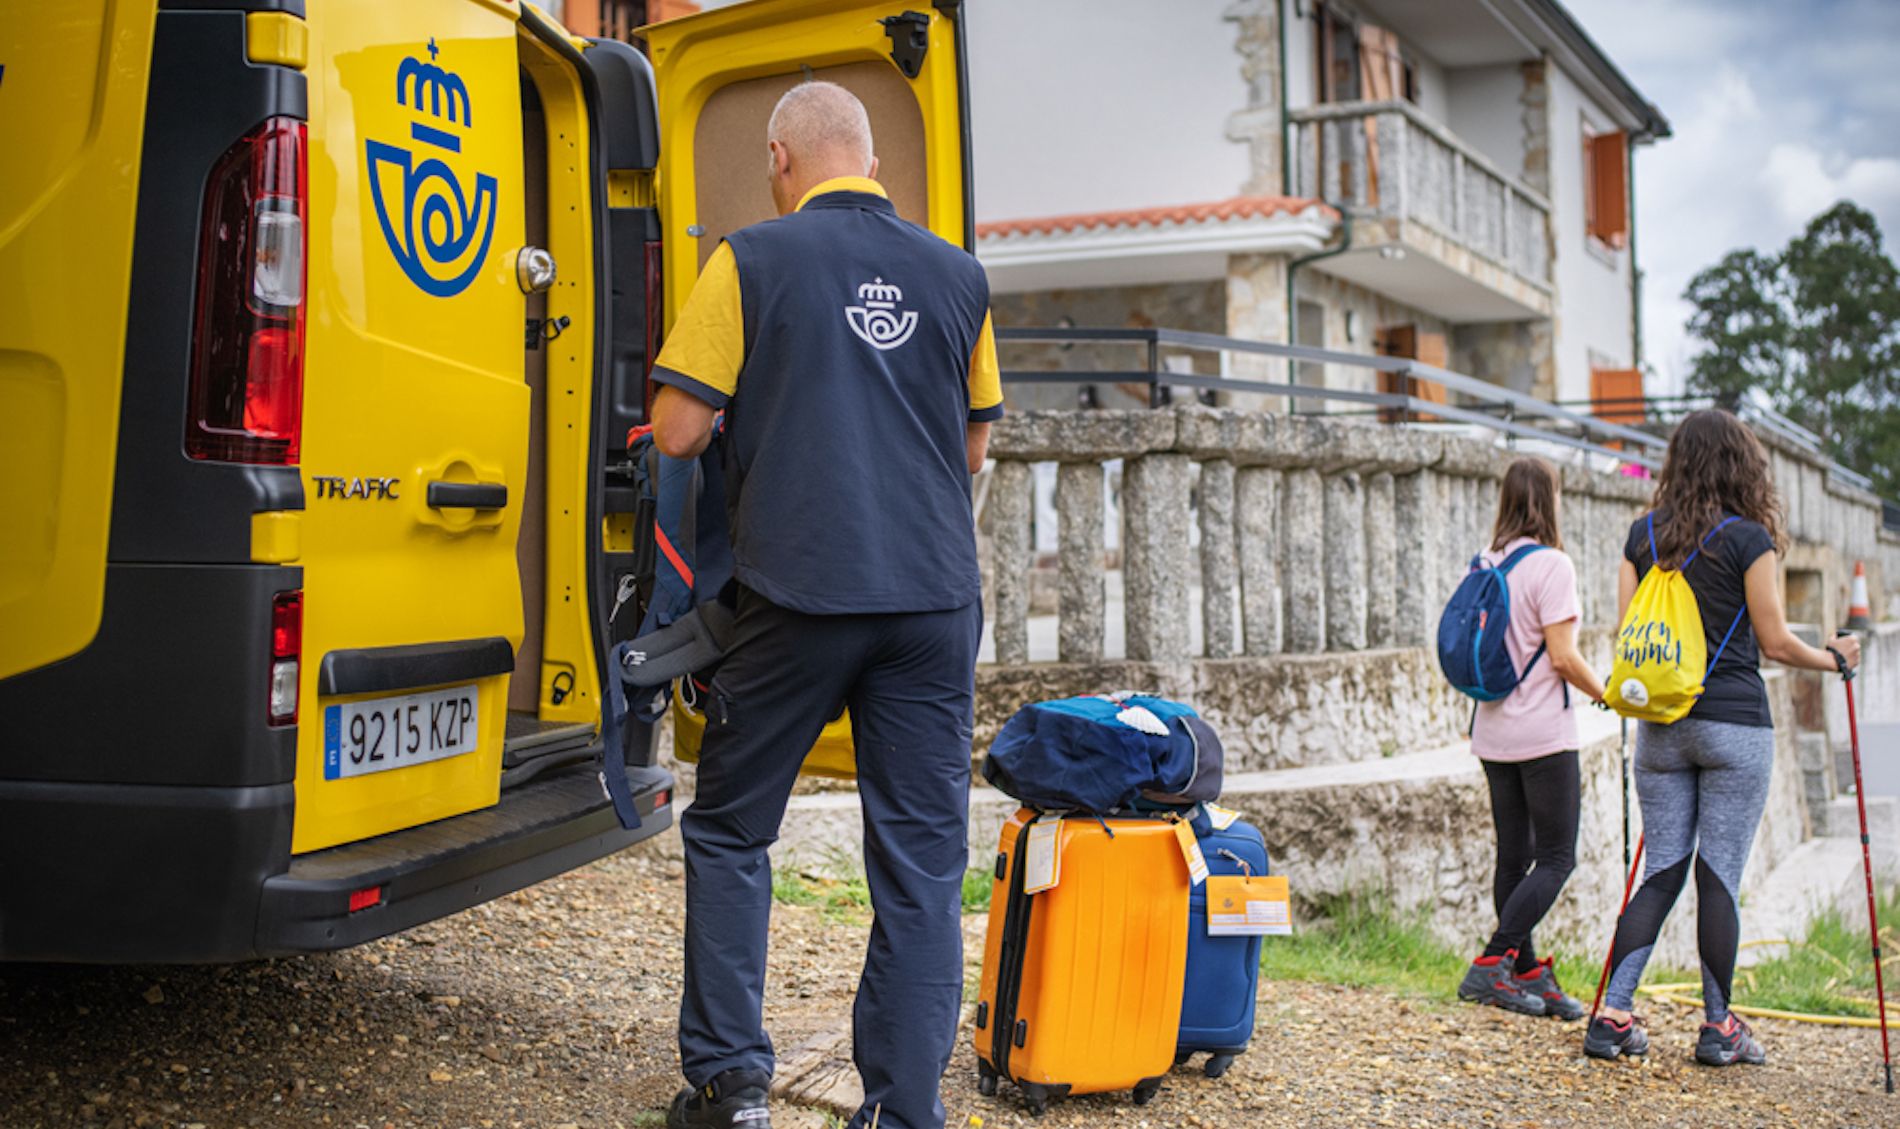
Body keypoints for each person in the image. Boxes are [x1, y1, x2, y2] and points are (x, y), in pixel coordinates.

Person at [646, 81, 1003, 1129]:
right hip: (932, 599)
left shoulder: (750, 259)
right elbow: (973, 444)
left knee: (730, 829)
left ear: (779, 160)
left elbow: (675, 430)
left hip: (799, 592)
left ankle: (731, 1087)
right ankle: (900, 1109)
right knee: (920, 866)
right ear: (873, 165)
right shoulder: (960, 274)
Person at [1584, 409, 1860, 1066]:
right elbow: (1775, 641)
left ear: (1676, 463)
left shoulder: (1642, 536)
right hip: (1734, 723)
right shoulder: (1748, 539)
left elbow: (1631, 633)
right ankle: (1718, 1027)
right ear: (1742, 466)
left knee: (1662, 871)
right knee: (1719, 877)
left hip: (1661, 725)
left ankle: (1613, 1014)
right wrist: (1834, 658)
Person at [1455, 457, 1607, 1021]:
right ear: (1550, 500)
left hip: (1492, 731)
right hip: (1543, 734)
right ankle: (1491, 963)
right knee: (1557, 857)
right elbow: (1563, 656)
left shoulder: (1484, 561)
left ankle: (1524, 972)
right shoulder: (1553, 565)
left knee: (1514, 857)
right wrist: (1606, 693)